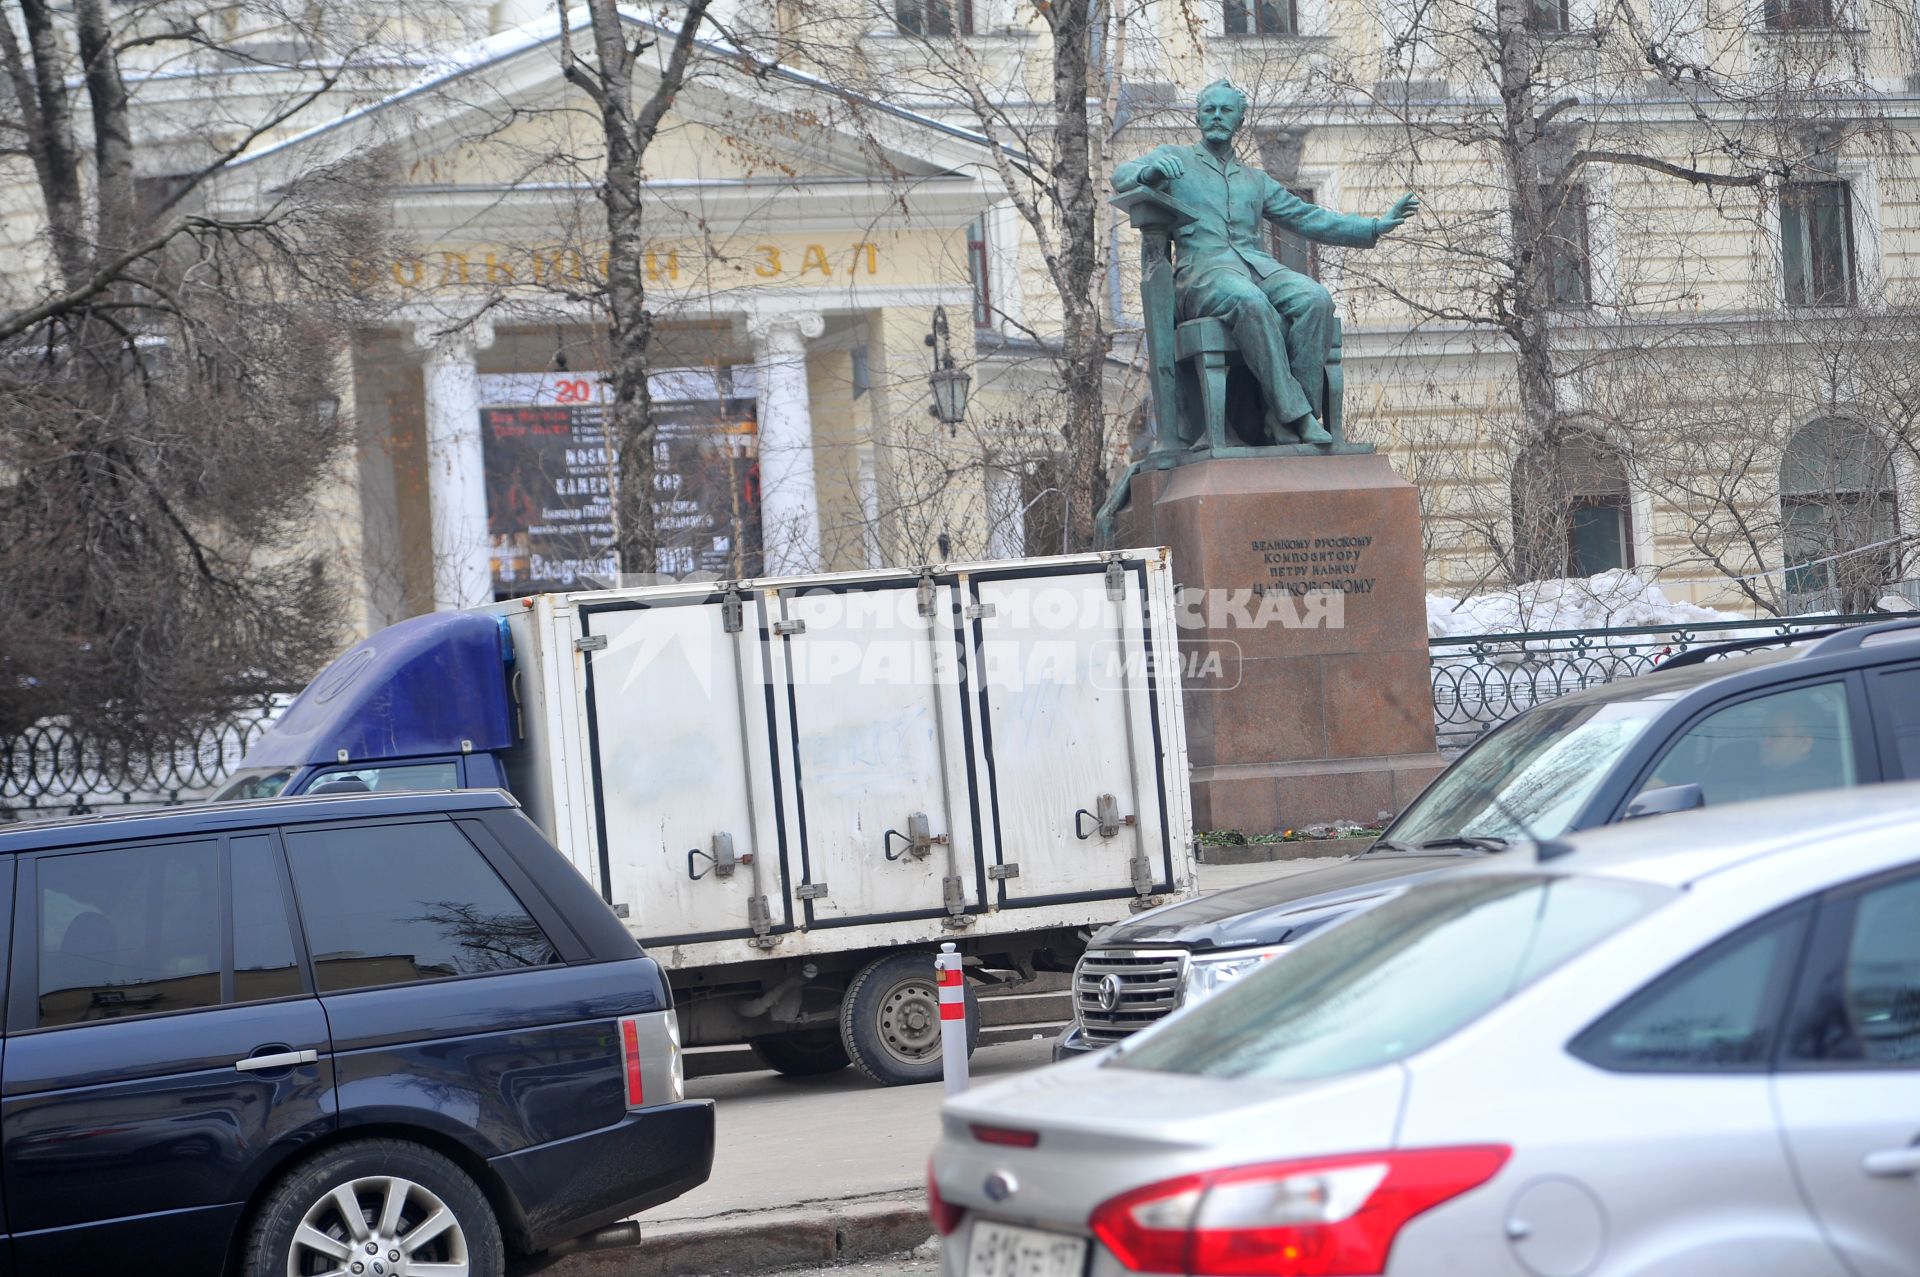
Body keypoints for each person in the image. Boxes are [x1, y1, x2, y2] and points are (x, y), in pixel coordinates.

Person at [1112, 80, 1420, 443]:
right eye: (1209, 110)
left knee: (1316, 299)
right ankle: (1300, 417)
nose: (1216, 117)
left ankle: (1281, 417)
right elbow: (1120, 177)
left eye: (1225, 110)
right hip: (1202, 274)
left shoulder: (1254, 180)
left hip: (1258, 268)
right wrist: (1149, 173)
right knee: (1249, 301)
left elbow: (1307, 217)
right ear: (1197, 116)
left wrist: (1372, 226)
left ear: (1239, 120)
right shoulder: (1176, 160)